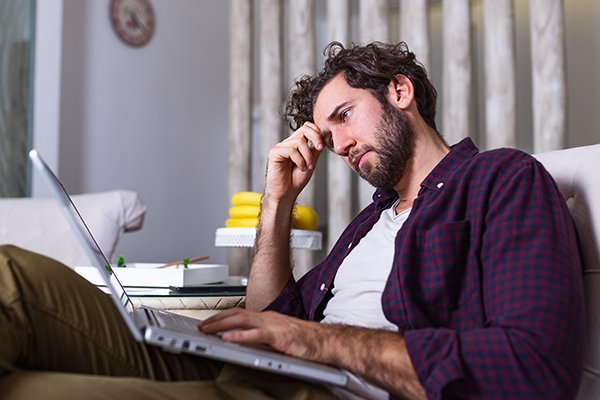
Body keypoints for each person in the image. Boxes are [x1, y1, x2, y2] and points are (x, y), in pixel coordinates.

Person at [0, 41, 584, 400]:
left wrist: (317, 340)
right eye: (328, 137)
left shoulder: (500, 181)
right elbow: (269, 321)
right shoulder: (369, 224)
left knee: (36, 391)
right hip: (269, 372)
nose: (341, 146)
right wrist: (277, 200)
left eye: (345, 117)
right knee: (12, 277)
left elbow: (532, 369)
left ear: (400, 91)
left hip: (330, 390)